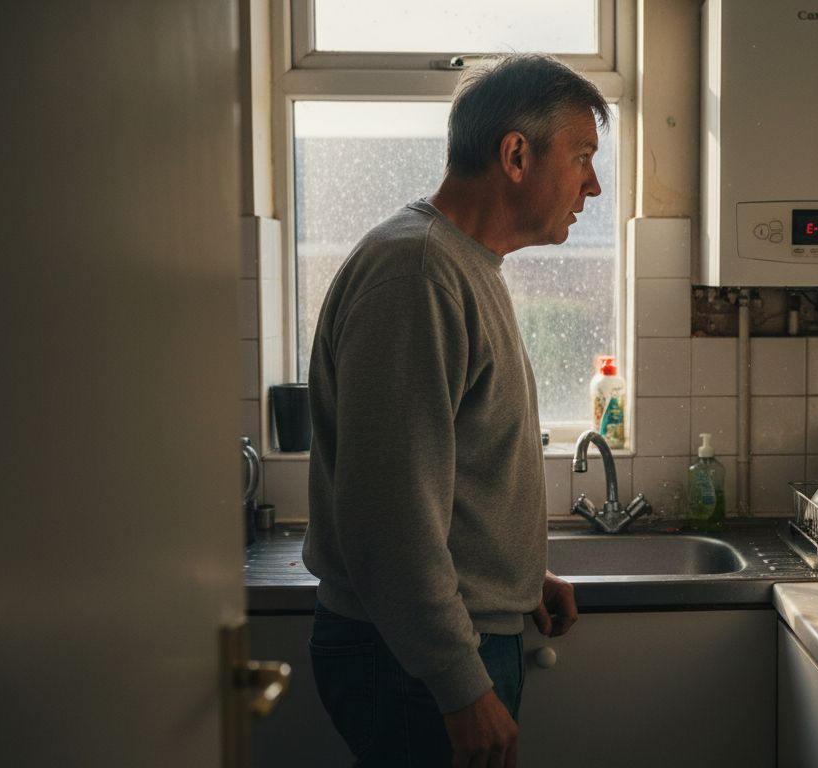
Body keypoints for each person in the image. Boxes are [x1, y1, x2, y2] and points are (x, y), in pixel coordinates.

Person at [302, 53, 609, 767]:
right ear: (515, 155)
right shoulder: (417, 274)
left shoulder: (463, 263)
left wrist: (516, 576)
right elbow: (390, 517)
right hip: (410, 658)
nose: (592, 185)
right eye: (583, 158)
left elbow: (455, 468)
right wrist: (458, 684)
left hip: (432, 640)